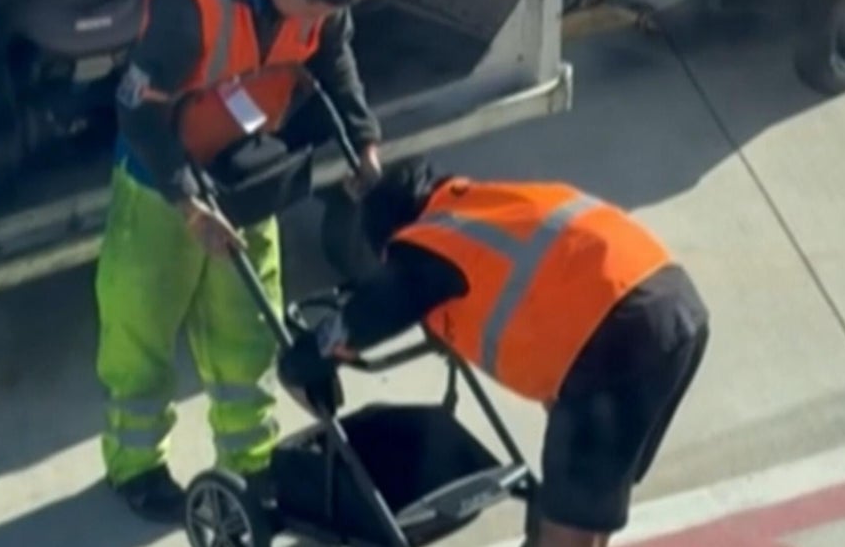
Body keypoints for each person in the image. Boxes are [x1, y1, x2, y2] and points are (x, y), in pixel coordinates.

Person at [96, 0, 383, 524]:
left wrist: (363, 141)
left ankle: (250, 462)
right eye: (310, 10)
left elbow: (337, 61)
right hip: (161, 182)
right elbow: (138, 115)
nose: (315, 23)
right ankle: (137, 467)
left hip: (246, 172)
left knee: (249, 332)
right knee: (141, 332)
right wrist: (187, 205)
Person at [278, 157, 710, 547]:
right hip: (675, 308)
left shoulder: (430, 241)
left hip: (617, 337)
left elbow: (367, 314)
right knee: (586, 501)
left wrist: (298, 365)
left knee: (568, 524)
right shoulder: (484, 206)